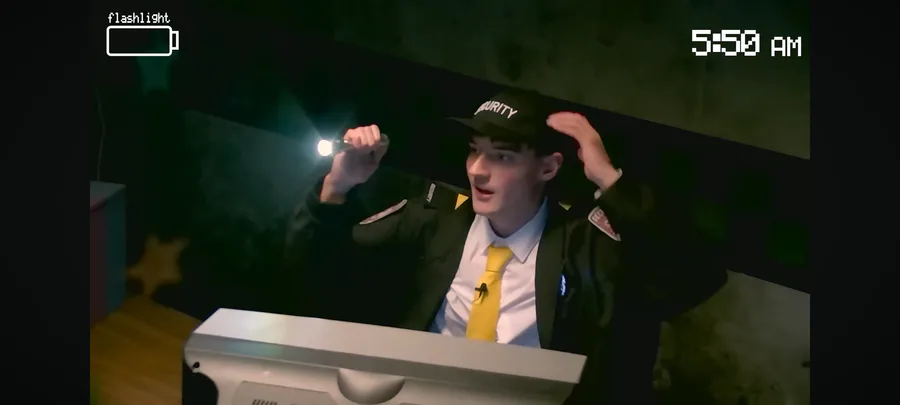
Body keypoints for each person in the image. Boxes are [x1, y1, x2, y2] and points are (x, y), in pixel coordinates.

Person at [284, 89, 727, 404]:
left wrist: (609, 180)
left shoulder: (584, 246)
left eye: (502, 156)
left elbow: (697, 278)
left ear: (548, 168)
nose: (477, 170)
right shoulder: (431, 224)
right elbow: (312, 270)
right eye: (474, 150)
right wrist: (337, 187)